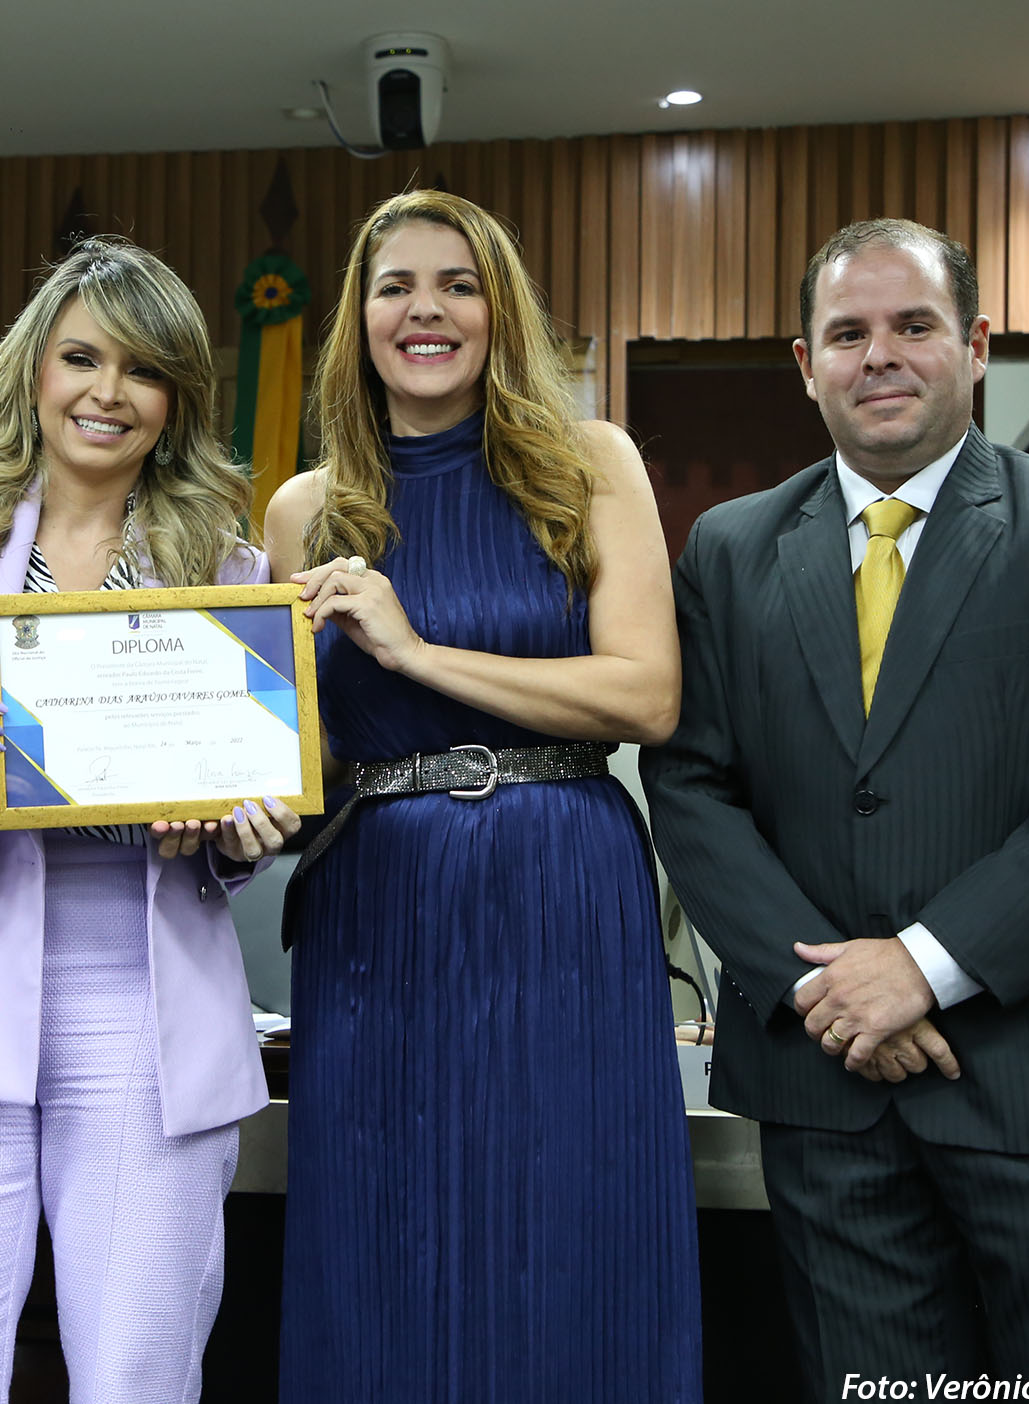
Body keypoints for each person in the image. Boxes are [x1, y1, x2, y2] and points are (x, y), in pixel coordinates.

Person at [640, 218, 1029, 1399]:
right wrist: (826, 991)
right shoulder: (728, 551)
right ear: (806, 365)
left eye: (912, 326)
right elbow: (690, 787)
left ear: (976, 344)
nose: (879, 357)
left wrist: (920, 965)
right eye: (847, 334)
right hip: (826, 1097)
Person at [0, 236, 299, 1404]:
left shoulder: (229, 567)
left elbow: (251, 801)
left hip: (147, 1007)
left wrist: (237, 833)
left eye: (142, 369)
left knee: (138, 1371)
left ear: (175, 399)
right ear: (34, 368)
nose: (106, 392)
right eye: (81, 358)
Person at [265, 190, 700, 1401]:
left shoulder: (588, 462)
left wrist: (413, 653)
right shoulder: (303, 510)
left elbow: (644, 696)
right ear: (357, 319)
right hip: (376, 903)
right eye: (395, 287)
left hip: (562, 887)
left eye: (457, 284)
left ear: (498, 310)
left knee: (568, 1221)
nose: (427, 311)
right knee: (381, 1231)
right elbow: (294, 759)